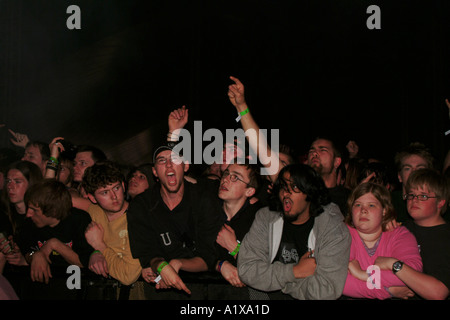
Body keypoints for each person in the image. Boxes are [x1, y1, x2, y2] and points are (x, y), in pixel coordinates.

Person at [237, 164, 351, 300]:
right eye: (283, 187)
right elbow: (247, 269)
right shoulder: (266, 218)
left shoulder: (332, 228)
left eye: (295, 187)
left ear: (310, 193)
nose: (286, 193)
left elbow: (327, 289)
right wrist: (294, 271)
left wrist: (280, 282)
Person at [127, 141, 222, 299]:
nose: (169, 165)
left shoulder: (204, 200)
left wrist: (177, 263)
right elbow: (148, 254)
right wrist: (161, 265)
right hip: (160, 291)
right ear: (155, 172)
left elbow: (209, 257)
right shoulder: (141, 205)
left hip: (202, 289)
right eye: (162, 160)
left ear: (185, 166)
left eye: (175, 159)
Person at [12, 179, 92, 299]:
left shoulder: (79, 220)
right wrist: (35, 255)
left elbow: (84, 262)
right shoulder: (29, 224)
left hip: (74, 290)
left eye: (34, 210)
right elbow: (26, 250)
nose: (28, 214)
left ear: (53, 211)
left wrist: (54, 244)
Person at [342, 182, 423, 299]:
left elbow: (413, 272)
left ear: (384, 210)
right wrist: (388, 291)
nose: (363, 210)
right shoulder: (342, 235)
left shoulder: (400, 235)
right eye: (358, 205)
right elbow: (340, 281)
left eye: (371, 205)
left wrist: (363, 275)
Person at [81, 161, 142, 289]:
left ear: (124, 186)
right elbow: (53, 197)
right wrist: (93, 253)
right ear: (92, 198)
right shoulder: (94, 210)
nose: (114, 196)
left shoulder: (137, 219)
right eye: (104, 192)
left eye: (116, 188)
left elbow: (128, 275)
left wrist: (99, 246)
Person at [209, 161, 263, 299]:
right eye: (226, 174)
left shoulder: (259, 219)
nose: (226, 179)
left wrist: (234, 248)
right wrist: (220, 265)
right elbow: (195, 252)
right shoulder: (209, 212)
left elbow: (263, 268)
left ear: (249, 191)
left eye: (235, 177)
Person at [399, 168, 450, 299]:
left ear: (440, 202)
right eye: (411, 195)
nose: (414, 200)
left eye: (423, 196)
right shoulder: (403, 228)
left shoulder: (445, 237)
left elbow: (438, 293)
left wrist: (394, 265)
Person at [0, 161, 43, 274]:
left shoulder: (42, 216)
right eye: (8, 181)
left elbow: (42, 251)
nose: (10, 186)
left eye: (17, 182)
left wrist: (26, 259)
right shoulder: (4, 212)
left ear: (31, 184)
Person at [391, 142, 435, 223]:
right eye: (407, 168)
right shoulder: (387, 202)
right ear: (399, 176)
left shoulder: (436, 203)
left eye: (420, 168)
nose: (414, 172)